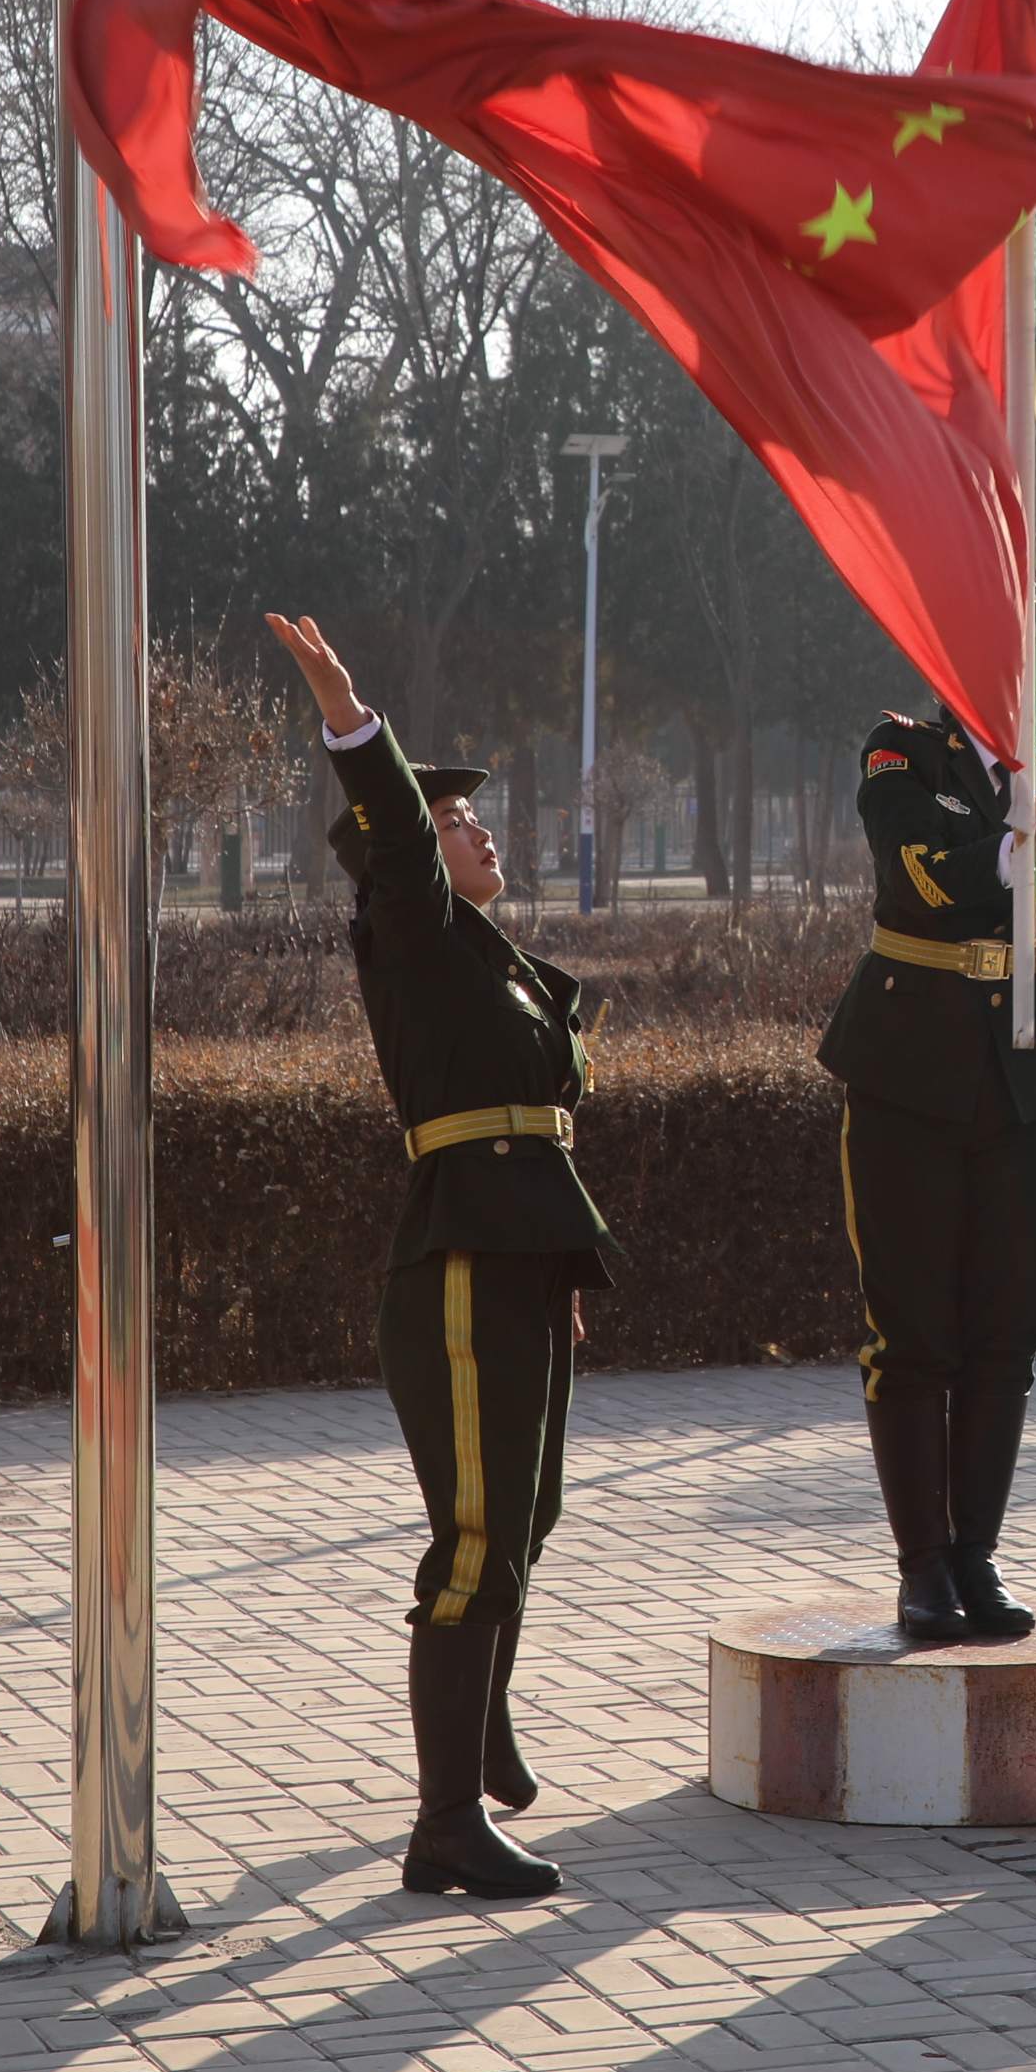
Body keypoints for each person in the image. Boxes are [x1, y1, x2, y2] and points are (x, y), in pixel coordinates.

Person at [267, 613, 615, 1901]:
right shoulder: (407, 927)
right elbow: (405, 852)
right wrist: (352, 724)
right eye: (456, 822)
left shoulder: (491, 957)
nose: (482, 833)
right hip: (459, 1261)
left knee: (528, 1516)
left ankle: (481, 1729)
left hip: (519, 1252)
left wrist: (558, 1268)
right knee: (475, 1539)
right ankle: (445, 1824)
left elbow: (544, 1109)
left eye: (473, 819)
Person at [813, 702, 1036, 1644]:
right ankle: (922, 1564)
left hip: (1022, 1074)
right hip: (910, 1070)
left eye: (1034, 647)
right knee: (913, 1331)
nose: (1019, 664)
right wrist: (1026, 841)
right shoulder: (902, 751)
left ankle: (976, 1555)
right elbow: (919, 876)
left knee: (1007, 1331)